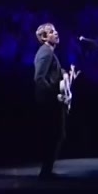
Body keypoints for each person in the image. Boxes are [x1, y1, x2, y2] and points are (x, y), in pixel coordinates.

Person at [32, 23, 76, 179]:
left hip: (51, 101)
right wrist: (54, 95)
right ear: (44, 37)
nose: (56, 33)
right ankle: (46, 171)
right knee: (54, 135)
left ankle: (47, 170)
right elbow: (39, 78)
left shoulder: (49, 53)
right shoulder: (46, 53)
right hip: (49, 102)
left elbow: (53, 72)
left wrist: (66, 75)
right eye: (51, 32)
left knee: (56, 134)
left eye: (55, 31)